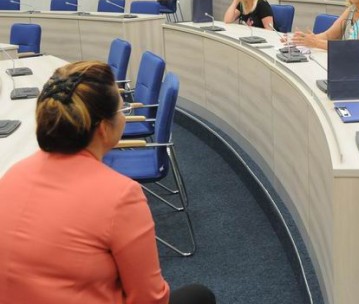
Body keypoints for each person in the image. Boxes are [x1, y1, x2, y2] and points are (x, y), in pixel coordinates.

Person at [0, 61, 215, 304]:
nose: (123, 116)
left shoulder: (12, 175)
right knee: (200, 296)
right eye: (121, 110)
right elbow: (150, 299)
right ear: (103, 128)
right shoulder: (121, 195)